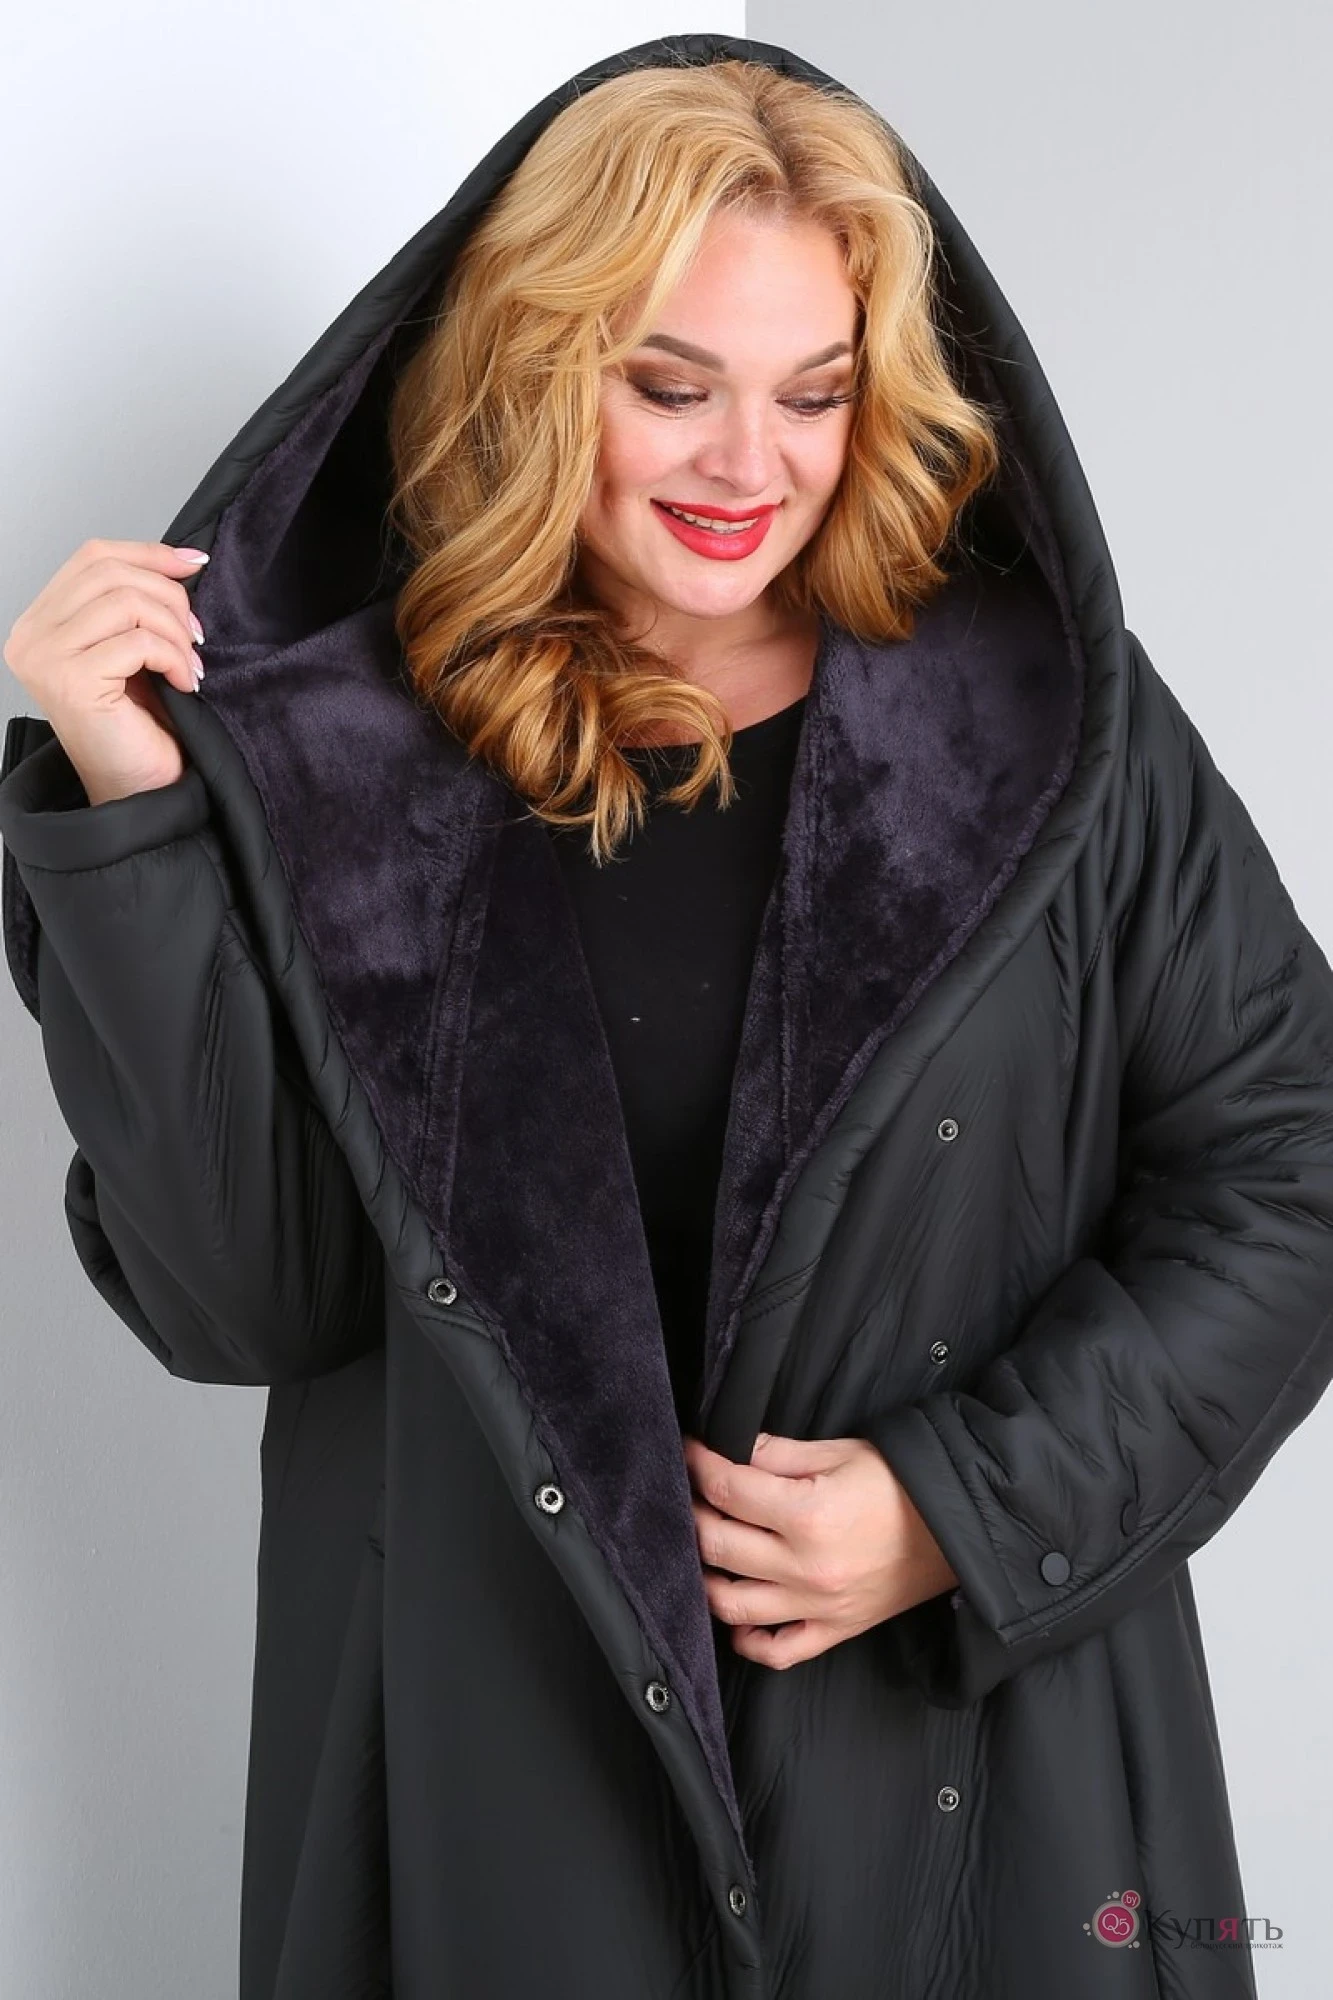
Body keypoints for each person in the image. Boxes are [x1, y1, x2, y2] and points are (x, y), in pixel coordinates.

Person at [2, 35, 1331, 2000]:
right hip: (488, 1791)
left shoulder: (1046, 734)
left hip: (967, 1784)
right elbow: (247, 1303)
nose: (748, 466)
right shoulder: (347, 763)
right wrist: (127, 812)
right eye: (671, 385)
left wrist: (964, 1511)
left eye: (815, 392)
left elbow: (1294, 1169)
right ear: (537, 368)